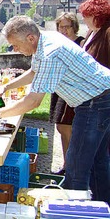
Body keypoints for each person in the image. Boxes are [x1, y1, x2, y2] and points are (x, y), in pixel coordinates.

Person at [0, 15, 110, 205]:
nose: (15, 50)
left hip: (95, 102)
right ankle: (103, 207)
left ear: (30, 38)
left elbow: (34, 101)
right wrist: (7, 86)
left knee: (76, 168)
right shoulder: (45, 40)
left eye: (15, 45)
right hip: (102, 96)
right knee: (98, 161)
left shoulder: (52, 52)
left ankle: (74, 212)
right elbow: (34, 72)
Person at [49, 12, 84, 175]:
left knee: (67, 127)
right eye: (60, 26)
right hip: (59, 89)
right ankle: (67, 164)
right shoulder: (58, 43)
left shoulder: (80, 42)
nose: (63, 30)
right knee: (61, 127)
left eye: (67, 26)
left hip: (73, 90)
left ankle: (72, 167)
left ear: (74, 27)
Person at [80, 0, 110, 68]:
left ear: (96, 16)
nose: (82, 19)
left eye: (85, 16)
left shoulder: (108, 32)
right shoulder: (91, 31)